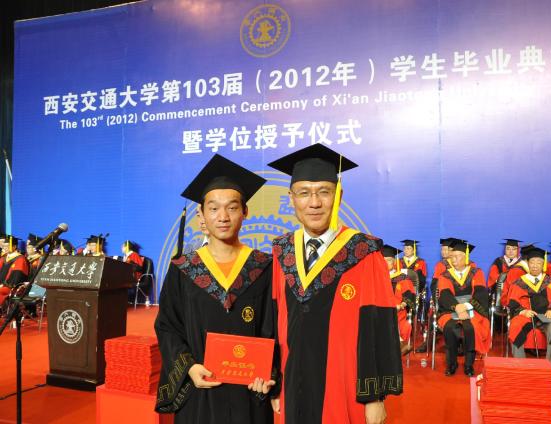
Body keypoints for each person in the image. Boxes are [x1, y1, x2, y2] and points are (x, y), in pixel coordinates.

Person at [261, 144, 403, 424]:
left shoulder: (363, 252)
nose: (314, 203)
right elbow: (273, 321)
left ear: (339, 195)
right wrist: (275, 381)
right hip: (292, 383)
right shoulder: (282, 251)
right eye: (304, 193)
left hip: (343, 385)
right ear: (291, 198)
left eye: (324, 192)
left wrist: (374, 397)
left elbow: (378, 325)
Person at [154, 154, 275, 423]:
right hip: (201, 391)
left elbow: (276, 326)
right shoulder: (184, 269)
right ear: (201, 215)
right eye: (213, 208)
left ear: (245, 212)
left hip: (250, 393)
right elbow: (167, 326)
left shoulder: (263, 266)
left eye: (232, 207)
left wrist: (270, 371)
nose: (223, 217)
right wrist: (189, 367)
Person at [507, 247, 551, 379]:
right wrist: (523, 311)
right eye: (532, 262)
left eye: (538, 262)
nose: (535, 266)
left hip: (546, 317)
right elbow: (512, 304)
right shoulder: (519, 283)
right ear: (528, 264)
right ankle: (520, 370)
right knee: (515, 326)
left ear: (543, 264)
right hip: (527, 316)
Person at [436, 241, 490, 377]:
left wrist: (465, 306)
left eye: (457, 256)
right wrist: (457, 307)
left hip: (473, 308)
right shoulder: (445, 275)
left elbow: (480, 292)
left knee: (471, 328)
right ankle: (451, 364)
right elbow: (445, 294)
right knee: (450, 327)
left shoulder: (476, 272)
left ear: (466, 257)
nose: (453, 260)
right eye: (451, 257)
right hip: (450, 309)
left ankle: (468, 365)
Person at [382, 244, 416, 355]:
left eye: (389, 260)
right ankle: (400, 344)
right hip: (380, 309)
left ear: (394, 262)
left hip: (398, 311)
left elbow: (409, 295)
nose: (385, 263)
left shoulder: (402, 278)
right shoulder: (375, 277)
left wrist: (402, 305)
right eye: (383, 261)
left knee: (392, 318)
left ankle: (395, 348)